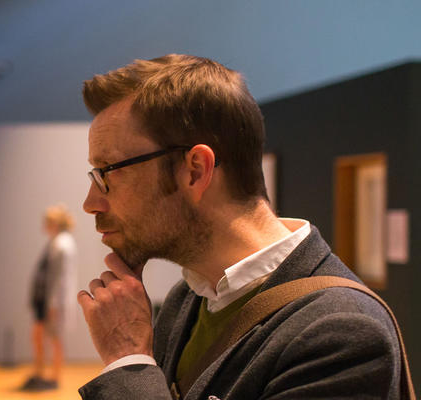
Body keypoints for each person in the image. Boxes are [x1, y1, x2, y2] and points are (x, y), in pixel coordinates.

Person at [76, 54, 410, 399]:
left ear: (195, 170)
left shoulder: (342, 334)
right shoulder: (189, 298)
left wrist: (127, 360)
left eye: (108, 172)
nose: (91, 203)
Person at [21, 204, 78, 391]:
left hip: (52, 302)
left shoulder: (62, 244)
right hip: (47, 300)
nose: (45, 224)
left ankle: (52, 377)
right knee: (43, 336)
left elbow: (59, 278)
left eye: (48, 221)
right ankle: (42, 373)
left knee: (53, 338)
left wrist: (53, 304)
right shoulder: (58, 242)